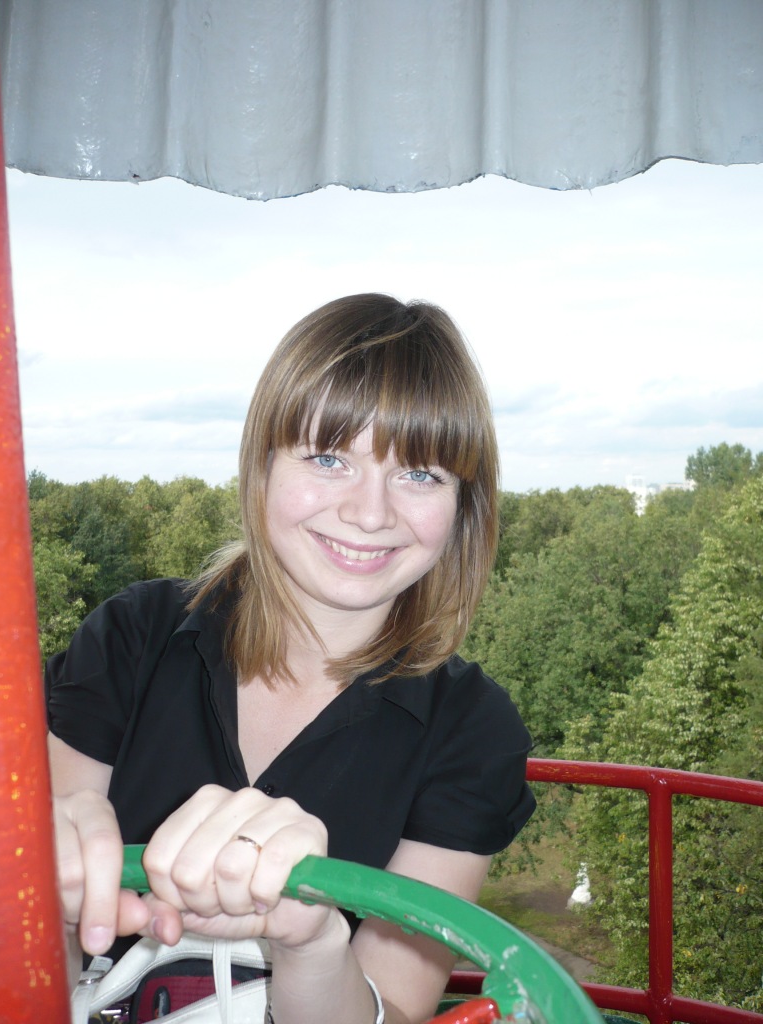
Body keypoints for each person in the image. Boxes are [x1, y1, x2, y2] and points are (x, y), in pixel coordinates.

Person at [46, 293, 535, 1024]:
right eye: (329, 458)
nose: (370, 513)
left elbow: (397, 1009)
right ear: (262, 467)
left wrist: (314, 944)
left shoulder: (473, 730)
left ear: (464, 505)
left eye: (421, 474)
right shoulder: (131, 638)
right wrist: (48, 892)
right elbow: (42, 963)